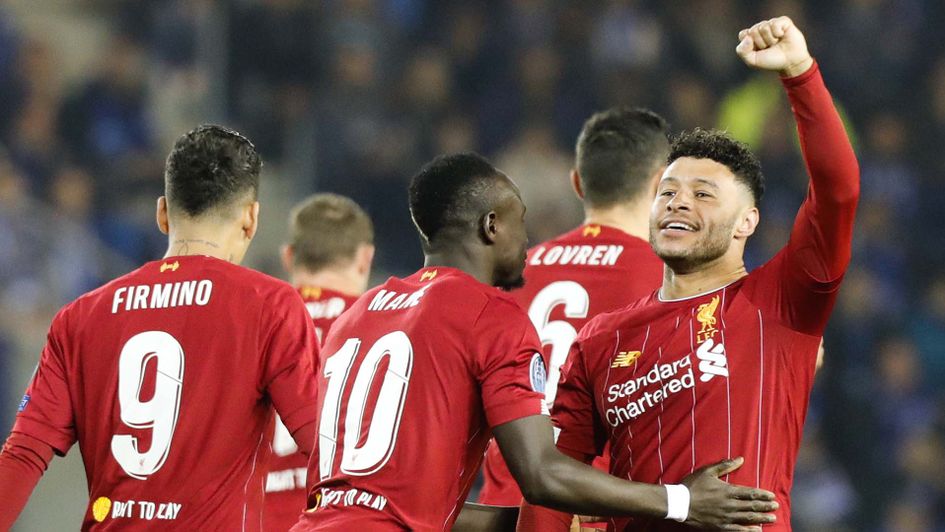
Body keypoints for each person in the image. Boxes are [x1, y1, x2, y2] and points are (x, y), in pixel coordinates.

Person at [292, 153, 778, 531]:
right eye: (520, 220)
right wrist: (680, 502)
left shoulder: (356, 316)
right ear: (491, 226)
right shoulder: (490, 313)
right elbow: (542, 474)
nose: (529, 239)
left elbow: (396, 504)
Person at [519, 17, 859, 531]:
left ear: (748, 221)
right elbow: (554, 482)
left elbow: (838, 192)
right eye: (669, 192)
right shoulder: (602, 339)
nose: (679, 203)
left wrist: (799, 74)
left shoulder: (780, 304)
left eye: (704, 194)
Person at [0, 125, 321, 530]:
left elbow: (23, 454)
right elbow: (324, 448)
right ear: (251, 219)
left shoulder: (80, 317)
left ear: (162, 214)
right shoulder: (270, 306)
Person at [479, 107, 668, 511]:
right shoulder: (670, 278)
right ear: (659, 186)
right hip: (596, 510)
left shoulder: (512, 272)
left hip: (503, 509)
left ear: (578, 183)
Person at [264, 193, 375, 532]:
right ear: (365, 259)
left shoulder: (254, 323)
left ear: (288, 256)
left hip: (254, 519)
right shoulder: (383, 326)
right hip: (341, 520)